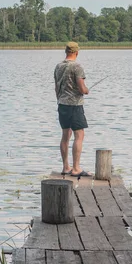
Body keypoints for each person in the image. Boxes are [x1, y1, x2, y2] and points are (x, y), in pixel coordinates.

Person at [54, 41, 91, 177]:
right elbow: (81, 88)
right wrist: (86, 90)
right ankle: (76, 168)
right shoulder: (77, 67)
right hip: (75, 105)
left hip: (62, 104)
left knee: (65, 135)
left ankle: (65, 167)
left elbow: (56, 87)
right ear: (76, 52)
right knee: (79, 135)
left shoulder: (58, 66)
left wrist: (60, 99)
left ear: (66, 52)